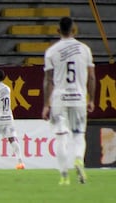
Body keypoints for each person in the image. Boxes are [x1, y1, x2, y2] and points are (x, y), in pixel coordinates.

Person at [42, 17, 96, 185]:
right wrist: (91, 99)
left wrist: (46, 104)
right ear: (74, 30)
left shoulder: (51, 51)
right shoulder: (85, 49)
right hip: (79, 98)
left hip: (59, 99)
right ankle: (79, 160)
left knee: (61, 137)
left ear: (58, 31)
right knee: (79, 135)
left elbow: (48, 80)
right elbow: (92, 77)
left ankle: (64, 176)